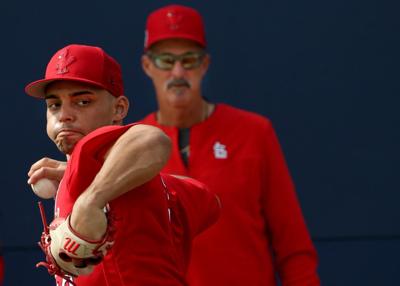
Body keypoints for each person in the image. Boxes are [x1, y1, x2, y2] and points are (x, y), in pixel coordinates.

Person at [140, 4, 320, 286]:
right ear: (148, 66)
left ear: (204, 64)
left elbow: (293, 244)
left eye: (189, 59)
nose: (178, 72)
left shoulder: (254, 132)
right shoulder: (132, 143)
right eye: (165, 60)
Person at [25, 44, 220, 286]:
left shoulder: (93, 149)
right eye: (54, 105)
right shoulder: (131, 180)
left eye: (83, 102)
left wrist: (91, 201)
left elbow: (152, 139)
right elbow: (210, 201)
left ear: (119, 109)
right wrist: (85, 173)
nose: (64, 115)